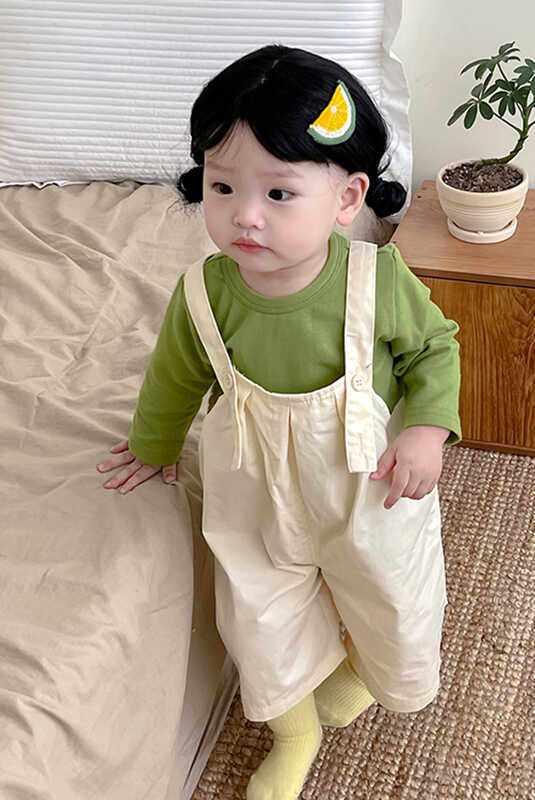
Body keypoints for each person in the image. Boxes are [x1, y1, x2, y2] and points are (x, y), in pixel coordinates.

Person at [96, 45, 461, 800]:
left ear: (347, 198)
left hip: (366, 487)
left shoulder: (374, 280)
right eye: (222, 186)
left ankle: (364, 675)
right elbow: (176, 376)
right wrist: (152, 444)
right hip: (254, 488)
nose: (245, 215)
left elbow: (434, 350)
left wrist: (427, 429)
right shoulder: (204, 293)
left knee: (393, 601)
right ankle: (293, 733)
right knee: (259, 619)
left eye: (279, 192)